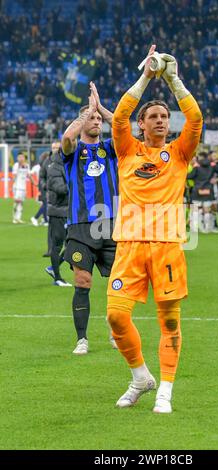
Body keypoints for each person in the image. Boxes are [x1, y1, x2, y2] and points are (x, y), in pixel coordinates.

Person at [107, 45, 203, 413]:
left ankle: (165, 388)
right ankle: (140, 377)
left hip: (167, 246)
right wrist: (147, 76)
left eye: (165, 116)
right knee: (116, 315)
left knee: (168, 320)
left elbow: (195, 120)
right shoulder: (127, 150)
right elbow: (118, 117)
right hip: (129, 245)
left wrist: (174, 78)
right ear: (142, 124)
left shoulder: (179, 153)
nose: (162, 120)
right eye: (155, 116)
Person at [61, 82, 118, 355]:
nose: (96, 121)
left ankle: (115, 332)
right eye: (91, 118)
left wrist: (100, 106)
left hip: (111, 225)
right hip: (81, 226)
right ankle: (82, 339)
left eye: (98, 119)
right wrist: (86, 113)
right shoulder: (73, 153)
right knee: (83, 280)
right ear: (82, 121)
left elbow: (122, 127)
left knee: (119, 283)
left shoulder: (111, 147)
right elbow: (67, 138)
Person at [45, 146, 71, 287]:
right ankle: (57, 278)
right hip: (58, 211)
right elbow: (60, 189)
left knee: (73, 243)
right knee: (57, 245)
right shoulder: (54, 167)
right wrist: (77, 183)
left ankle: (53, 268)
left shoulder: (65, 165)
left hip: (67, 210)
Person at [188, 151, 218, 233]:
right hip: (208, 190)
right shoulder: (212, 165)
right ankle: (207, 228)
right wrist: (217, 163)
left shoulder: (197, 166)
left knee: (196, 209)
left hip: (197, 190)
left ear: (200, 157)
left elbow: (190, 176)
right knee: (207, 210)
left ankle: (195, 228)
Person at [12, 153, 34, 224]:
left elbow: (29, 175)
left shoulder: (27, 165)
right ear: (17, 158)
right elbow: (14, 176)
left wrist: (34, 183)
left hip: (23, 187)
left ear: (24, 158)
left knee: (21, 203)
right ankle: (14, 218)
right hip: (17, 187)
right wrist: (19, 166)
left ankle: (19, 218)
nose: (21, 158)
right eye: (19, 157)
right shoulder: (16, 165)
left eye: (22, 157)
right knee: (16, 201)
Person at [31, 151, 49, 226]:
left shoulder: (44, 166)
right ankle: (35, 217)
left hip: (44, 184)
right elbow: (31, 174)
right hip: (43, 185)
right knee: (45, 203)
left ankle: (44, 219)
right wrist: (35, 183)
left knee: (46, 203)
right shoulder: (41, 166)